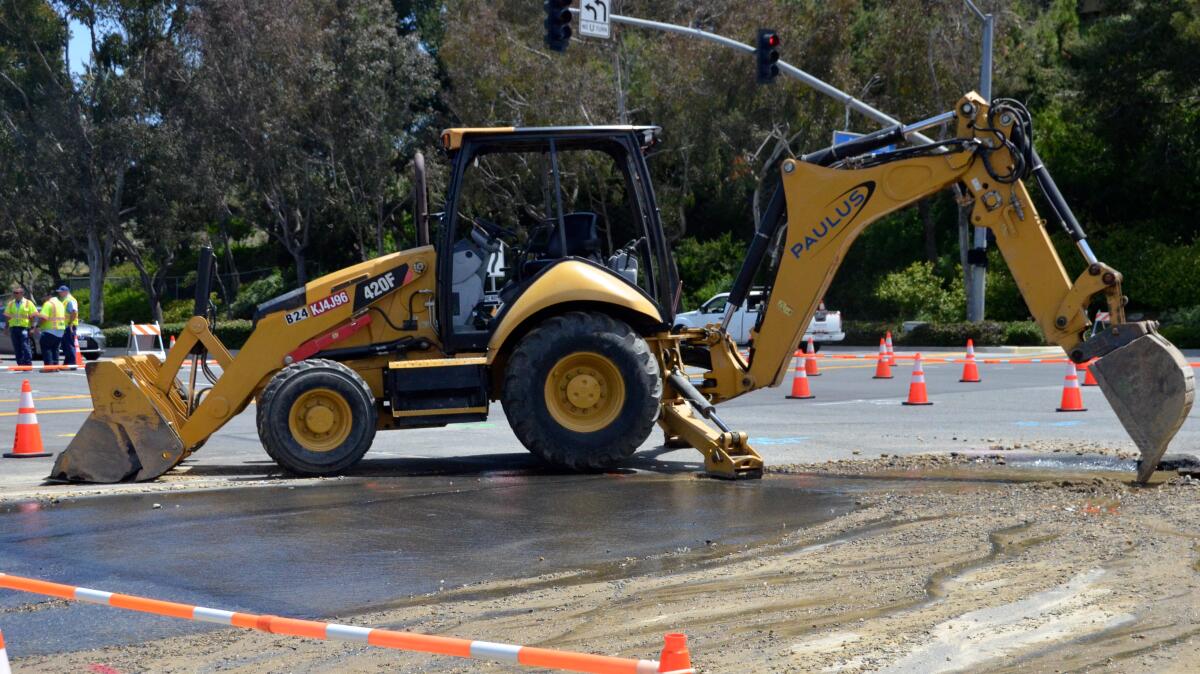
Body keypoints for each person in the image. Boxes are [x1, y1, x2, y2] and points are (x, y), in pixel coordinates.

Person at [3, 286, 37, 366]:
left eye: (17, 293)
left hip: (24, 328)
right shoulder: (11, 304)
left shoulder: (28, 303)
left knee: (25, 346)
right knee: (17, 347)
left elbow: (33, 316)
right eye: (14, 293)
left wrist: (32, 328)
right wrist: (6, 327)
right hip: (14, 328)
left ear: (22, 293)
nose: (15, 294)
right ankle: (20, 364)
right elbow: (7, 316)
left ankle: (28, 364)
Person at [35, 291, 66, 368]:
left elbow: (43, 318)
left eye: (44, 296)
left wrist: (37, 326)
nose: (43, 299)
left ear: (49, 296)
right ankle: (55, 366)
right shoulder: (60, 304)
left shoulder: (48, 304)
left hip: (50, 330)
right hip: (60, 331)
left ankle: (49, 367)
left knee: (46, 348)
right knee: (55, 349)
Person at [57, 285, 80, 365]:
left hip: (69, 326)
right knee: (65, 345)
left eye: (61, 292)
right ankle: (67, 362)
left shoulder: (70, 300)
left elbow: (74, 312)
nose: (59, 293)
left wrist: (70, 323)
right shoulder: (65, 300)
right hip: (65, 326)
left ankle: (71, 363)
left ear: (66, 292)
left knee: (69, 344)